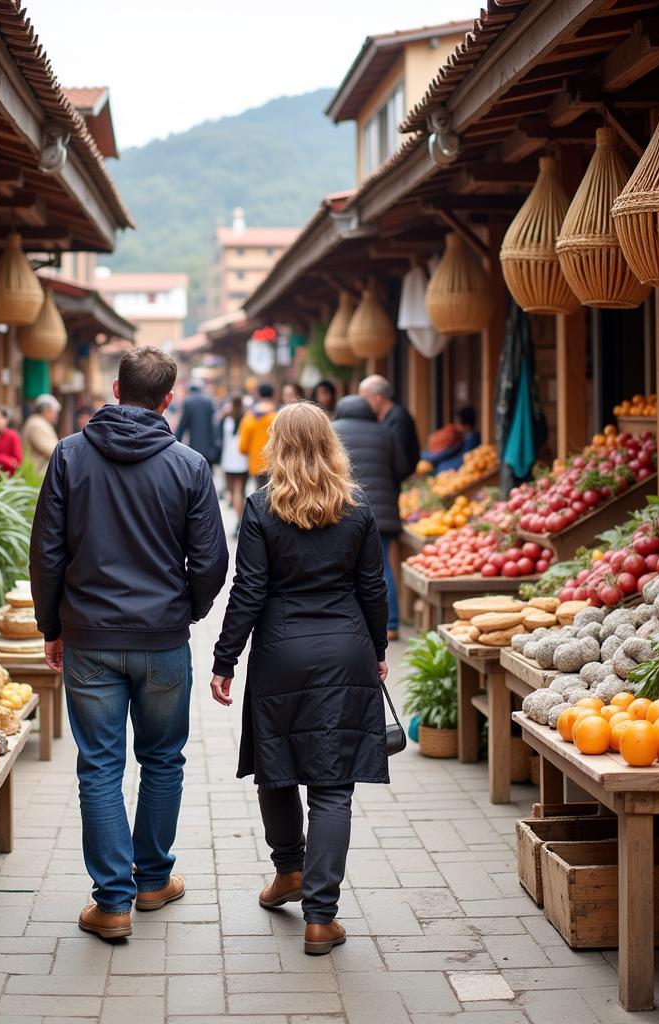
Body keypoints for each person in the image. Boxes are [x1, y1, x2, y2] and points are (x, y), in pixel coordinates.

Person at [30, 347, 228, 941]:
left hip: (89, 638)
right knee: (163, 759)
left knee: (99, 765)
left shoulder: (69, 455)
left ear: (115, 388)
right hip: (163, 639)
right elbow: (214, 561)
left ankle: (113, 904)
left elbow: (46, 552)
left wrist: (51, 626)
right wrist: (185, 612)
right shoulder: (190, 465)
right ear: (169, 398)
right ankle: (152, 880)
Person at [211, 403, 389, 956]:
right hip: (345, 651)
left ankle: (288, 869)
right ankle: (319, 917)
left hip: (280, 653)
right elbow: (374, 590)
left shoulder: (261, 507)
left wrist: (224, 659)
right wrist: (378, 650)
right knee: (333, 788)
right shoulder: (356, 509)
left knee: (278, 764)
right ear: (330, 444)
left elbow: (250, 589)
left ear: (276, 446)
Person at [331, 395, 407, 640]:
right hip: (383, 511)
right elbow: (401, 469)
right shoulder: (386, 433)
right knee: (381, 566)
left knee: (347, 565)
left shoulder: (333, 430)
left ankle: (354, 622)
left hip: (345, 509)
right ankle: (391, 623)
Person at [358, 375, 419, 477]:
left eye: (364, 399)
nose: (362, 404)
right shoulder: (381, 417)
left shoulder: (399, 418)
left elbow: (395, 453)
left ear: (378, 398)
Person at [238, 382, 278, 486]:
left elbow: (243, 446)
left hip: (257, 464)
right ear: (273, 394)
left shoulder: (250, 416)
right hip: (276, 463)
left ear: (259, 394)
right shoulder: (278, 415)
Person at [219, 394, 249, 529]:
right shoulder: (245, 418)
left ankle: (237, 514)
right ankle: (239, 519)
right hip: (242, 460)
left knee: (231, 490)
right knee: (239, 492)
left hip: (228, 460)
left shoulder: (226, 419)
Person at [421, 406, 482, 473]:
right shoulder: (466, 437)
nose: (456, 425)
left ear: (465, 424)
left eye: (457, 422)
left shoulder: (471, 439)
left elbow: (457, 457)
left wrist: (423, 455)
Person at [175, 379, 217, 461]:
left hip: (194, 447)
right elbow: (212, 425)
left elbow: (182, 425)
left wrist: (176, 442)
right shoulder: (208, 401)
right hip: (208, 447)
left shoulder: (188, 402)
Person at [21, 394, 61, 474]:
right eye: (54, 412)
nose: (56, 416)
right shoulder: (36, 424)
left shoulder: (41, 422)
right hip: (36, 473)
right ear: (46, 411)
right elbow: (49, 450)